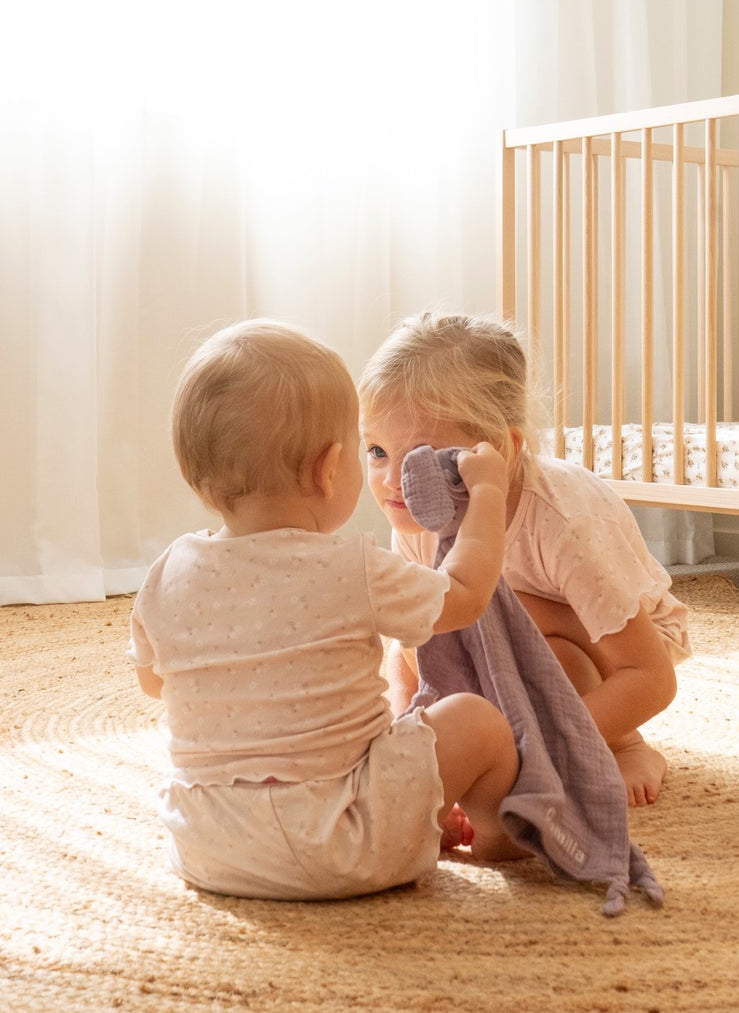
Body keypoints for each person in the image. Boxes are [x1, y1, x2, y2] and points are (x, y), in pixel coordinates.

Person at [129, 319, 521, 899]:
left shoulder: (166, 574)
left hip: (209, 847)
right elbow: (465, 595)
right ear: (329, 469)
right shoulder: (353, 568)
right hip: (348, 840)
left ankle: (416, 823)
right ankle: (496, 838)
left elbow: (154, 683)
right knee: (474, 720)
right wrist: (488, 492)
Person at [359, 312, 689, 808]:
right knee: (416, 629)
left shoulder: (564, 522)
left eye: (419, 457)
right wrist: (409, 745)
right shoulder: (417, 508)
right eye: (377, 451)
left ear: (501, 450)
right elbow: (413, 653)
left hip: (619, 645)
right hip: (496, 637)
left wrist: (541, 751)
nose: (391, 481)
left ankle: (624, 745)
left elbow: (652, 677)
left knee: (531, 640)